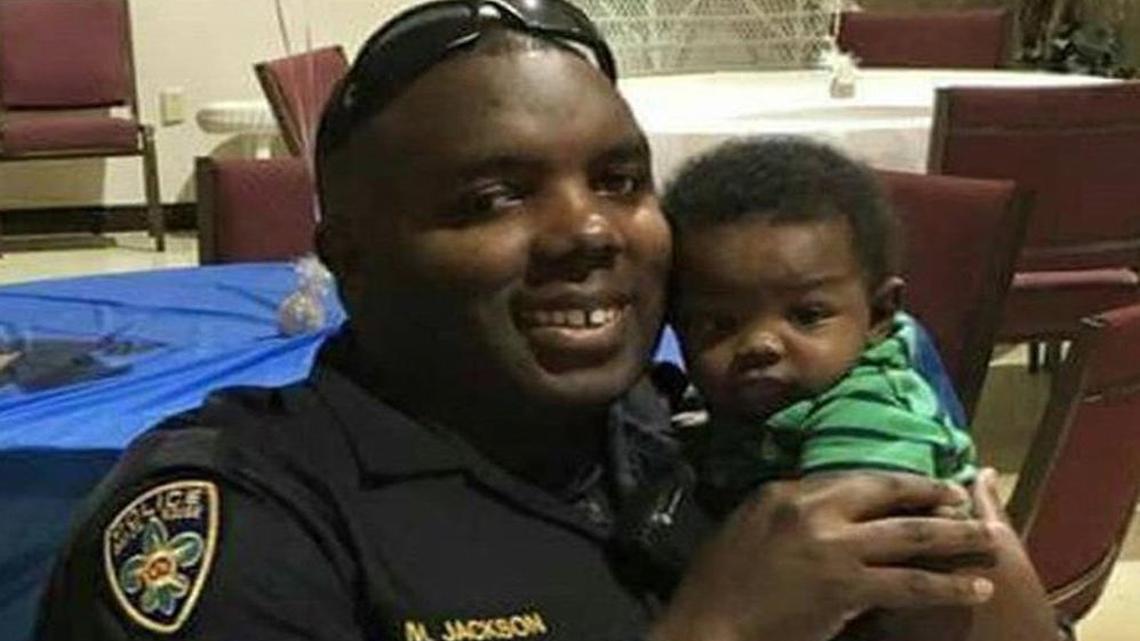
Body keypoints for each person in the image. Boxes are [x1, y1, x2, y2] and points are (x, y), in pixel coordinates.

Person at [35, 2, 1062, 641]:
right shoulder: (259, 526)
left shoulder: (709, 442)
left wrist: (986, 588)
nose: (589, 230)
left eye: (621, 179)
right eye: (492, 197)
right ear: (348, 255)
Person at [662, 137, 976, 510]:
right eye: (720, 322)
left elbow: (845, 546)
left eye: (807, 316)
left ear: (879, 314)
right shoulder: (762, 404)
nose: (760, 344)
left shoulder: (869, 412)